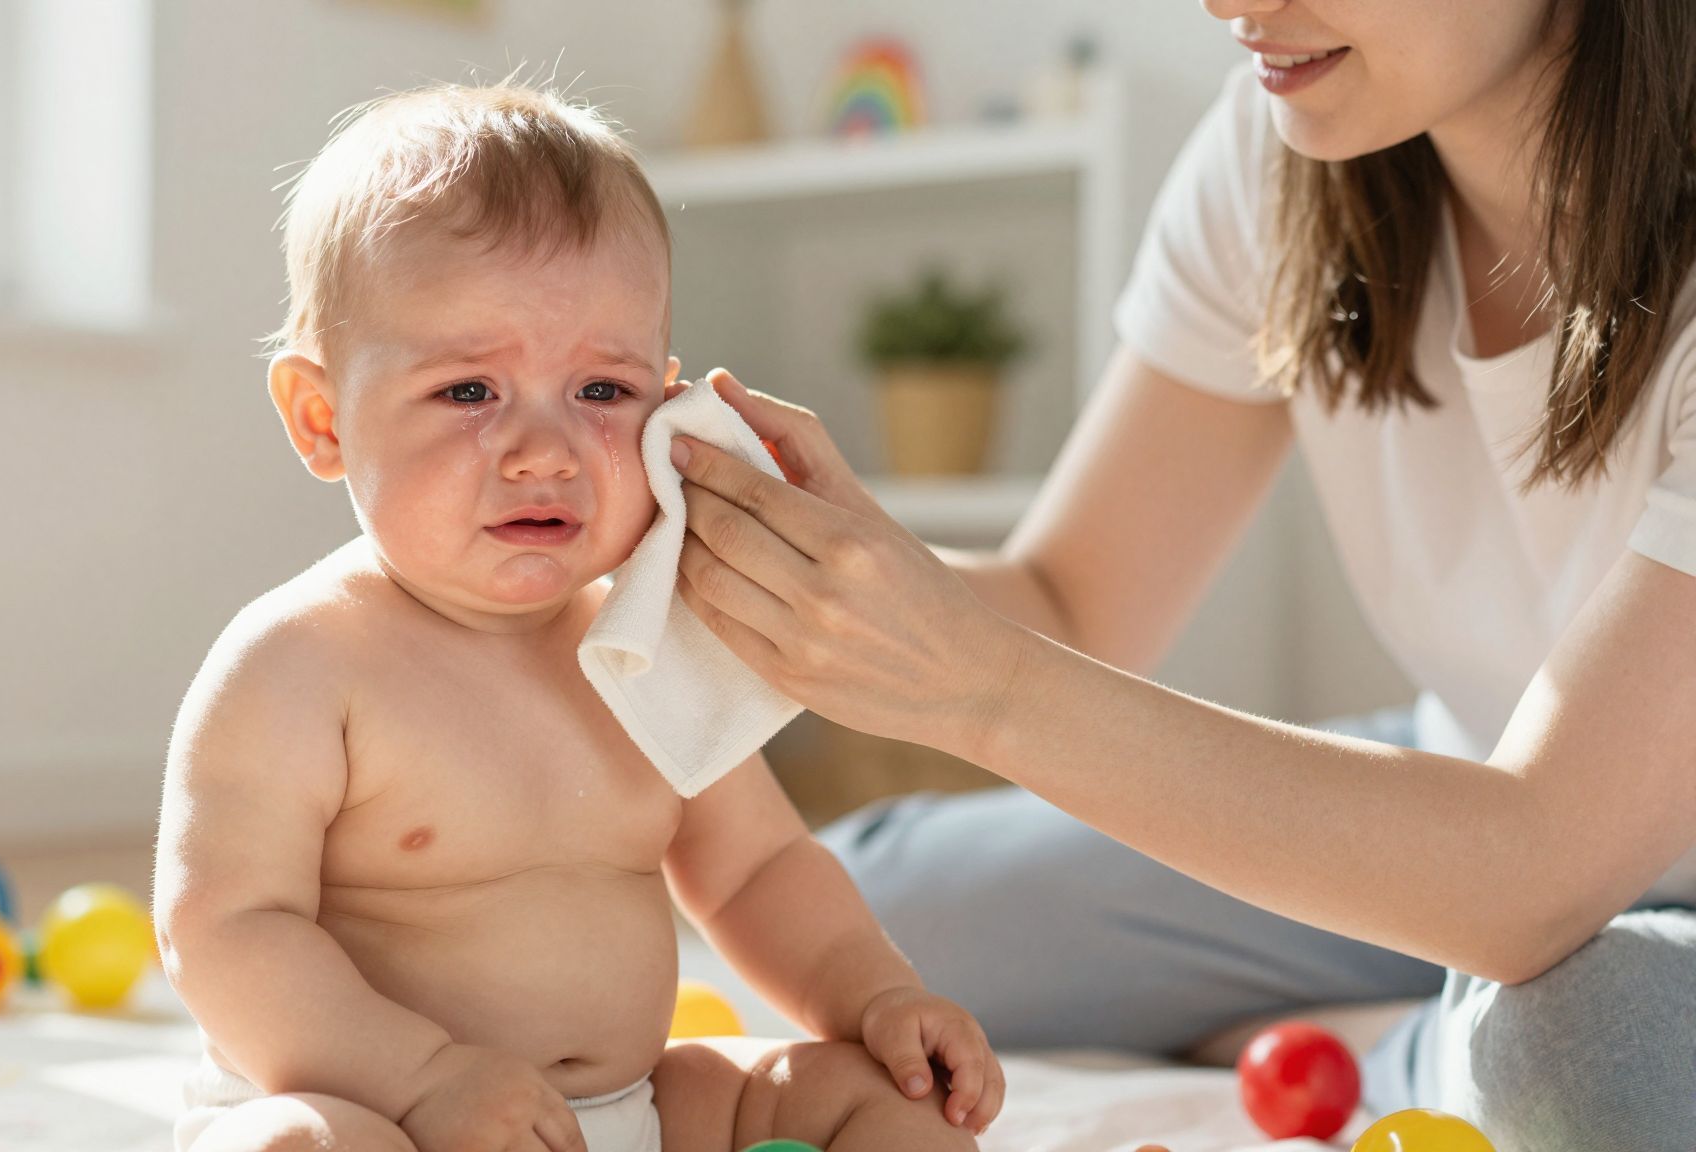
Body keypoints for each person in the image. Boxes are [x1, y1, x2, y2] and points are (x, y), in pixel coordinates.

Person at [664, 1, 1696, 1148]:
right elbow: (1069, 603)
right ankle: (1418, 1022)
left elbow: (1533, 870)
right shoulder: (1285, 149)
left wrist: (980, 683)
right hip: (1460, 793)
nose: (1223, 4)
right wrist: (759, 543)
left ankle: (1396, 1049)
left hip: (1544, 862)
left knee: (1591, 1051)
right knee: (878, 919)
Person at [151, 82, 1007, 1152]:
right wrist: (422, 1081)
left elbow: (757, 870)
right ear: (322, 418)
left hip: (623, 1114)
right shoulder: (299, 665)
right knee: (294, 1146)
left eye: (601, 392)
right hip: (380, 1111)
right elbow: (223, 929)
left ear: (666, 404)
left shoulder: (649, 641)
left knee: (870, 1100)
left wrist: (875, 995)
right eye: (469, 392)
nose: (543, 452)